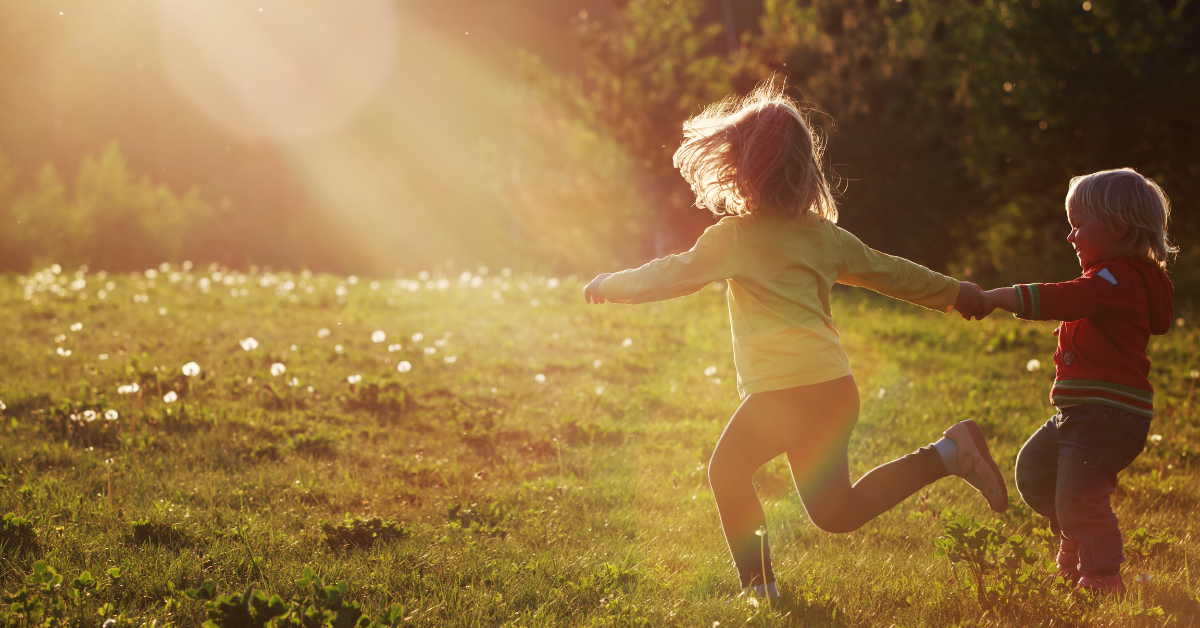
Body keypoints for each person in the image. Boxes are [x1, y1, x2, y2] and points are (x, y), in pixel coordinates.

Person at [581, 81, 1006, 598]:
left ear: (740, 169)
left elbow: (670, 275)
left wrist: (607, 285)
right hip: (832, 390)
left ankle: (760, 590)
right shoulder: (823, 238)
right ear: (805, 168)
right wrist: (958, 293)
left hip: (787, 394)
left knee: (727, 471)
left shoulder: (735, 238)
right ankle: (948, 453)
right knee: (837, 512)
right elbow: (891, 272)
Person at [981, 168, 1176, 596]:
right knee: (1033, 471)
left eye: (1077, 226)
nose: (1071, 238)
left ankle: (1103, 577)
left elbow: (1066, 297)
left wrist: (997, 297)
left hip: (1105, 416)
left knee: (1079, 496)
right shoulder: (1115, 280)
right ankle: (1077, 534)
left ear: (1119, 228)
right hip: (1084, 414)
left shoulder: (1117, 279)